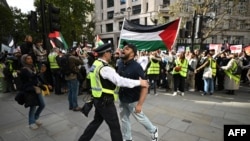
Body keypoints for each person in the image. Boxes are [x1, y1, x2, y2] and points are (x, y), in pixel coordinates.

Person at [78, 43, 149, 141]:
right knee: (115, 127)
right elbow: (120, 81)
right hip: (105, 102)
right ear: (106, 54)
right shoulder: (105, 68)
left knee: (96, 122)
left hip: (97, 99)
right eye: (110, 53)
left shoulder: (96, 64)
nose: (111, 54)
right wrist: (139, 82)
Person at [117, 43, 158, 141]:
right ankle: (127, 139)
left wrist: (139, 104)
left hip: (133, 100)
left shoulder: (136, 67)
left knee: (140, 118)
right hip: (122, 98)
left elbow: (145, 86)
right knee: (124, 120)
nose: (123, 50)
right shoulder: (120, 63)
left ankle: (153, 130)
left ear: (132, 54)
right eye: (123, 48)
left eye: (126, 49)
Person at [19, 54, 46, 130]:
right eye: (28, 59)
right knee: (33, 106)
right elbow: (31, 77)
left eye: (30, 58)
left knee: (42, 104)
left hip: (36, 88)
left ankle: (35, 118)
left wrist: (45, 84)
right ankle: (31, 122)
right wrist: (40, 71)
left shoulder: (32, 67)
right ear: (24, 60)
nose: (30, 60)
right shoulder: (24, 69)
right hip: (30, 90)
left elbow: (36, 78)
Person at [65, 47, 84, 111]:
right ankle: (75, 106)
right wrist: (79, 55)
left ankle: (71, 105)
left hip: (67, 76)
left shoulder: (65, 57)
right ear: (73, 51)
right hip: (73, 76)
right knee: (74, 92)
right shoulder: (72, 57)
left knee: (70, 92)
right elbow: (82, 62)